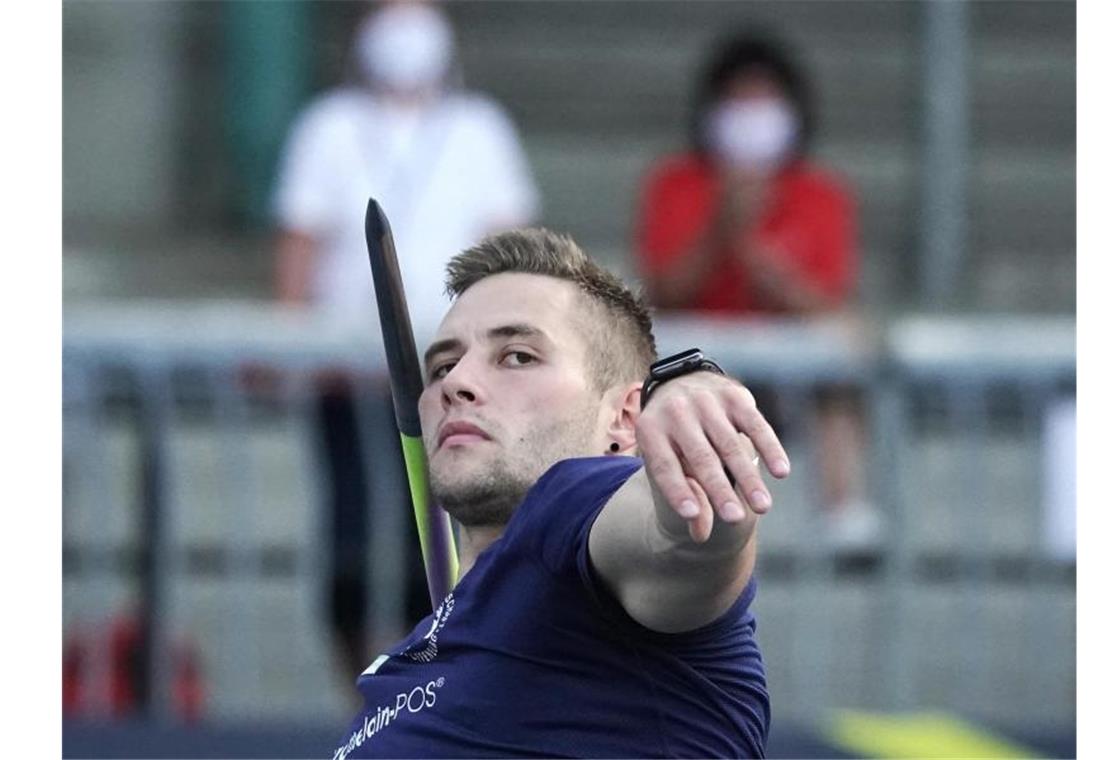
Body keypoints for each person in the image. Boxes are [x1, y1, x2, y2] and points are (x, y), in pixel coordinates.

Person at [332, 228, 789, 759]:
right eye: (442, 366)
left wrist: (689, 400)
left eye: (518, 356)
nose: (457, 383)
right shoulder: (406, 665)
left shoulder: (569, 507)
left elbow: (685, 535)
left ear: (625, 419)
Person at [271, 0, 540, 687]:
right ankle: (368, 705)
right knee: (355, 551)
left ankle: (438, 701)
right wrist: (287, 345)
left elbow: (511, 251)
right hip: (348, 384)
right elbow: (299, 245)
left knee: (446, 554)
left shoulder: (480, 128)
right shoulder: (328, 124)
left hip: (453, 387)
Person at [634, 30, 881, 552]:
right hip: (704, 367)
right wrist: (721, 231)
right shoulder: (675, 184)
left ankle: (844, 513)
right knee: (722, 387)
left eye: (765, 102)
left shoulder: (820, 193)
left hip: (794, 374)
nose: (752, 117)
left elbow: (831, 308)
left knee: (837, 377)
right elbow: (662, 292)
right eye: (739, 103)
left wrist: (772, 272)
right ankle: (724, 519)